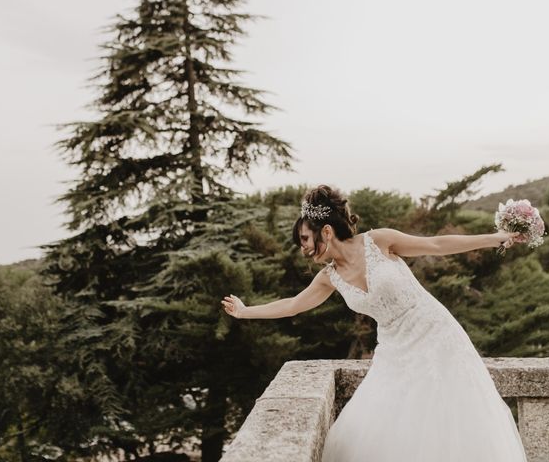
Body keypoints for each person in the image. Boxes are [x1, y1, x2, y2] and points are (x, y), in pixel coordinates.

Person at [220, 184, 528, 461]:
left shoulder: (379, 240)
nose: (302, 247)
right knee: (385, 428)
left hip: (436, 336)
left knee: (450, 418)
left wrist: (495, 238)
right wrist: (246, 311)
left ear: (326, 232)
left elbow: (436, 245)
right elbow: (292, 305)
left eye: (304, 238)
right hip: (394, 352)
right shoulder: (329, 277)